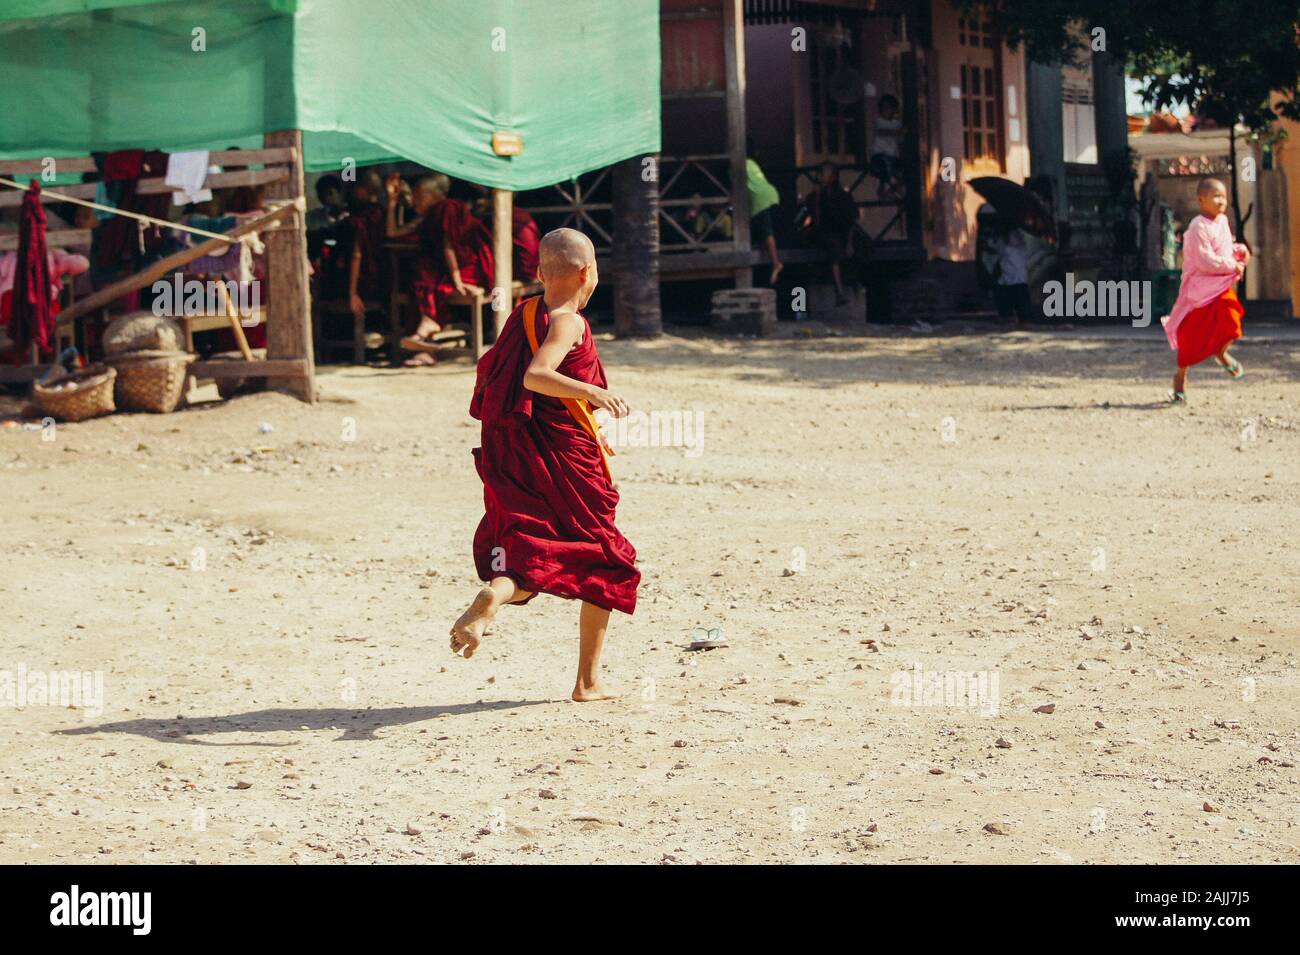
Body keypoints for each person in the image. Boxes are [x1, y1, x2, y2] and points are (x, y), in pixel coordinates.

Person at [450, 228, 639, 702]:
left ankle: (497, 593)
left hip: (533, 455)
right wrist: (594, 392)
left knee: (533, 551)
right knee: (607, 559)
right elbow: (536, 377)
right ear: (586, 272)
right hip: (566, 457)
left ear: (538, 272)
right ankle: (588, 682)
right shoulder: (568, 321)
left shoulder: (525, 312)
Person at [386, 173, 493, 366]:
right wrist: (392, 202)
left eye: (420, 196)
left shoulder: (447, 208)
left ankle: (426, 329)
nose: (415, 200)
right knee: (419, 280)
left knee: (424, 280)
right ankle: (425, 343)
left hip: (465, 269)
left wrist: (456, 279)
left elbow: (449, 245)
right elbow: (392, 233)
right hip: (444, 270)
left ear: (435, 195)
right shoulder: (427, 216)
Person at [1161, 177, 1248, 402]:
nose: (1221, 201)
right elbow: (1205, 260)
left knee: (1232, 320)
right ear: (1201, 200)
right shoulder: (1198, 226)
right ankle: (1180, 378)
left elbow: (1225, 248)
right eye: (1216, 197)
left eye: (1224, 197)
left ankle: (1221, 353)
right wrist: (1232, 264)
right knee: (1191, 338)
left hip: (1219, 287)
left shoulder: (1222, 222)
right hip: (1199, 291)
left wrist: (1239, 250)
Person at [803, 162, 858, 306]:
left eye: (823, 173)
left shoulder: (843, 196)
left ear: (833, 177)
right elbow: (815, 220)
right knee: (833, 247)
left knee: (859, 247)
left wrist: (849, 243)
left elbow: (850, 221)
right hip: (823, 235)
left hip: (841, 233)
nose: (820, 176)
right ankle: (839, 292)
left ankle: (854, 283)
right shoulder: (815, 197)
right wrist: (816, 198)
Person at [746, 142, 783, 285]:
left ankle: (776, 263)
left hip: (760, 199)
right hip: (772, 194)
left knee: (767, 231)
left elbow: (738, 188)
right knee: (764, 227)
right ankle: (764, 246)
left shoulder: (736, 166)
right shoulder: (752, 163)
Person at [870, 94, 904, 199]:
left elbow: (900, 140)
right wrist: (898, 132)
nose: (886, 110)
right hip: (880, 155)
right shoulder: (879, 121)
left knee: (902, 175)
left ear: (894, 110)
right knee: (886, 174)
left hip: (893, 155)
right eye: (883, 108)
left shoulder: (897, 123)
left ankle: (890, 192)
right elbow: (882, 132)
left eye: (888, 108)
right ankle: (884, 191)